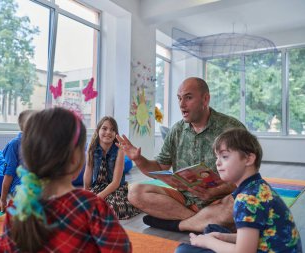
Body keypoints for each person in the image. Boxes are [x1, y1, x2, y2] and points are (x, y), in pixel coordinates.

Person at [0, 107, 131, 252]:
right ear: (76, 160)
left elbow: (3, 249)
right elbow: (121, 249)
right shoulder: (91, 206)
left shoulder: (18, 208)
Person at [116, 77, 245, 232]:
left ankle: (181, 224)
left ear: (205, 99)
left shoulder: (232, 129)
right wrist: (138, 159)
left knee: (244, 204)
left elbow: (245, 179)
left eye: (188, 98)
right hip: (184, 200)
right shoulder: (176, 130)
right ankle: (200, 223)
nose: (182, 105)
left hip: (219, 201)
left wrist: (212, 192)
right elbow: (158, 167)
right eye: (179, 98)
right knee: (135, 192)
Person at [176, 128, 302, 253]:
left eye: (224, 156)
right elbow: (260, 235)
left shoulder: (248, 199)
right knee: (212, 230)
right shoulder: (259, 187)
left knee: (183, 250)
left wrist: (209, 242)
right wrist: (222, 237)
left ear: (248, 159)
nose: (217, 163)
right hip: (271, 245)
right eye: (217, 157)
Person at [84, 116, 140, 220]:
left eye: (112, 129)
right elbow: (88, 172)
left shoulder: (119, 151)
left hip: (115, 189)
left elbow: (116, 183)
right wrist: (85, 192)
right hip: (97, 188)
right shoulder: (91, 149)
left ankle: (136, 205)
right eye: (104, 128)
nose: (108, 132)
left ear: (115, 134)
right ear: (97, 130)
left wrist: (98, 197)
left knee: (115, 209)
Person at [0, 109, 34, 212]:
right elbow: (8, 174)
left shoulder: (41, 143)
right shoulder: (14, 144)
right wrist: (3, 199)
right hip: (21, 187)